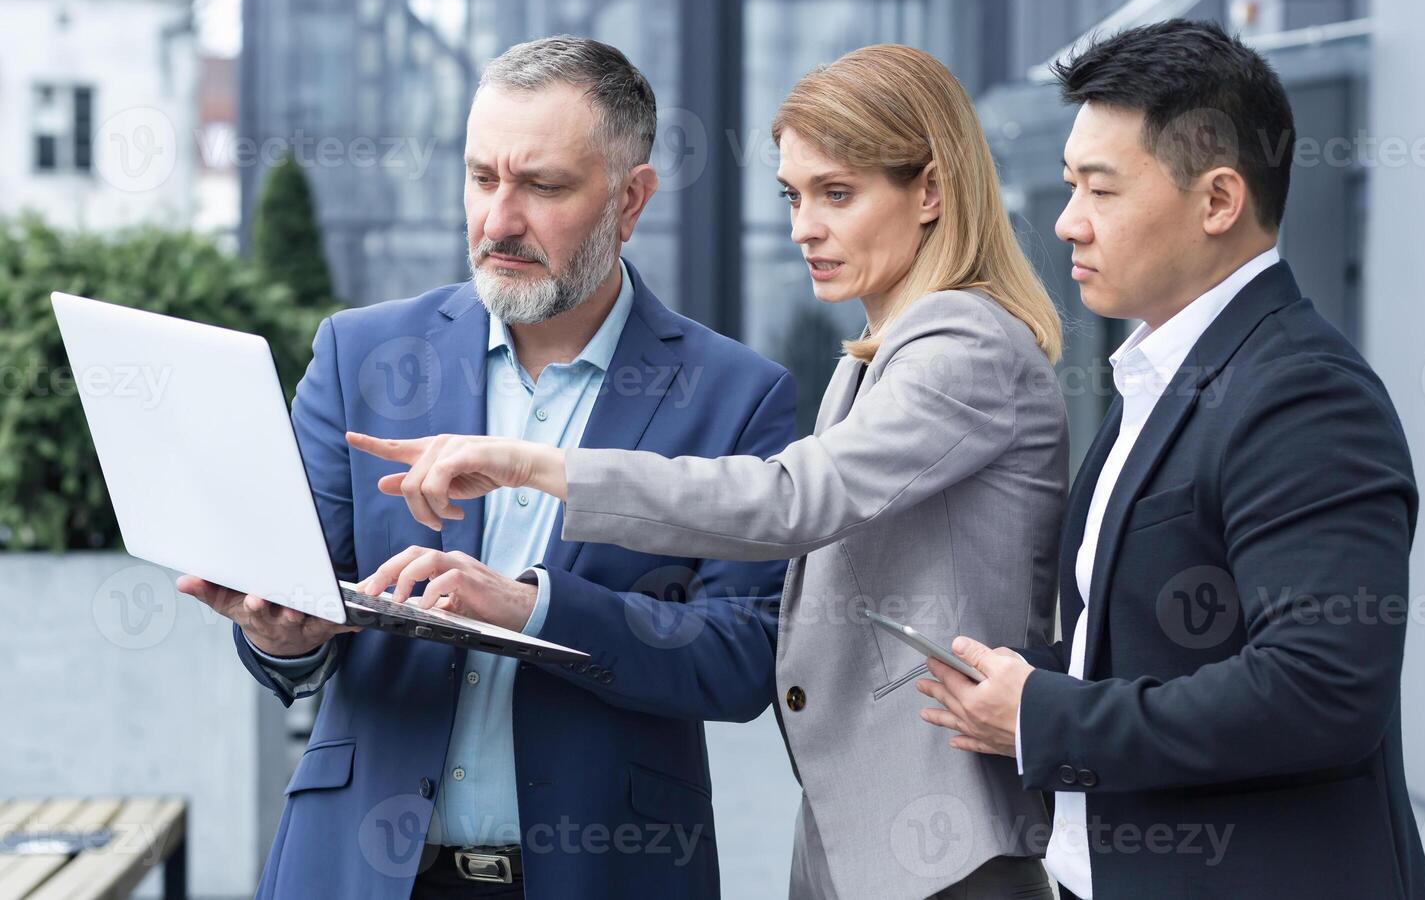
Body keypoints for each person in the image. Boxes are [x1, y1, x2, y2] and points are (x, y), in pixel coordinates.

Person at [349, 44, 1070, 900]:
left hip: (940, 843)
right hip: (874, 830)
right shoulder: (880, 353)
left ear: (933, 191)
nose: (805, 226)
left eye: (837, 193)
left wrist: (530, 466)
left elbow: (793, 501)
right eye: (793, 195)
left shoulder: (964, 343)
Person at [176, 36, 798, 899]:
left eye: (542, 186)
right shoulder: (360, 354)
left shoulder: (735, 395)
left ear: (631, 199)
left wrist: (530, 608)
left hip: (606, 876)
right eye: (481, 178)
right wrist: (279, 636)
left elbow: (740, 659)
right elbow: (296, 599)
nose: (498, 220)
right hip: (356, 871)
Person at [912, 19, 1425, 898]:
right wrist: (1023, 676)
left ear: (1219, 201)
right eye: (1071, 184)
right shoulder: (1162, 376)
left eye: (1102, 190)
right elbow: (1155, 648)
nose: (1068, 222)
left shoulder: (1302, 394)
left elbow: (1319, 692)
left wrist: (1045, 716)